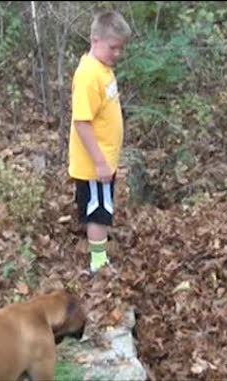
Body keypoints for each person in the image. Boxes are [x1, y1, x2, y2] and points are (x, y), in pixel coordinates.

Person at [67, 10, 131, 273]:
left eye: (121, 48)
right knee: (98, 212)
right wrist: (100, 163)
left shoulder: (102, 69)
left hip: (104, 161)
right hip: (95, 164)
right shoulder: (88, 75)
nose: (118, 53)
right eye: (113, 47)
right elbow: (82, 122)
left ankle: (99, 255)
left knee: (102, 208)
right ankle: (98, 263)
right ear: (95, 40)